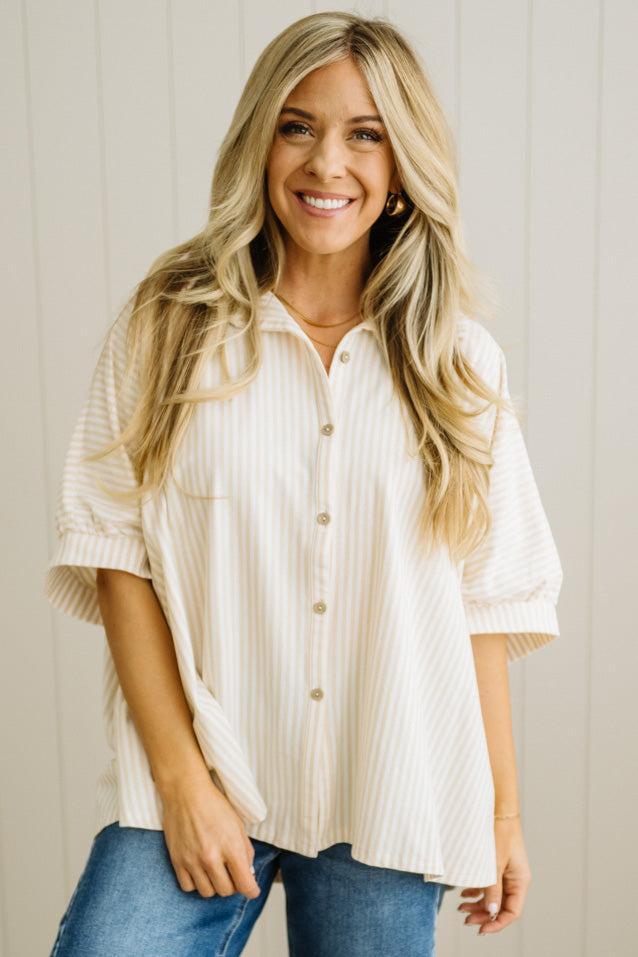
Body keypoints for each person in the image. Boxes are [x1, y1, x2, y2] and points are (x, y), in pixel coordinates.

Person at [43, 11, 563, 957]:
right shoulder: (167, 328)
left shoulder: (459, 366)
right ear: (260, 142)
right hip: (203, 778)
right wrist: (182, 783)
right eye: (298, 126)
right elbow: (117, 555)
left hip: (389, 792)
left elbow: (481, 607)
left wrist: (504, 814)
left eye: (366, 134)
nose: (329, 163)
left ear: (402, 164)